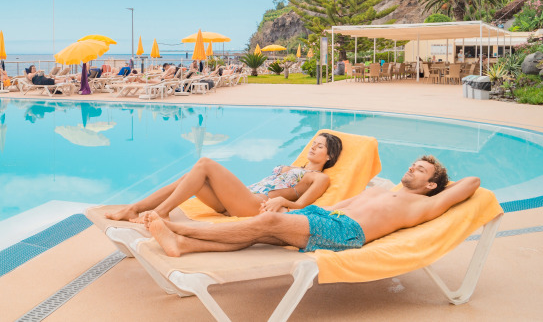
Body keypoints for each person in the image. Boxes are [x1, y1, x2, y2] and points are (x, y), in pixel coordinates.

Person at [146, 156, 479, 258]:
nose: (411, 169)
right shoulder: (382, 190)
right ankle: (184, 246)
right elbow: (340, 204)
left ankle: (178, 229)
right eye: (413, 165)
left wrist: (441, 184)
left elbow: (472, 182)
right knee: (261, 231)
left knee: (267, 226)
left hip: (348, 233)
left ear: (432, 185)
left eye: (420, 170)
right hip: (327, 218)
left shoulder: (424, 204)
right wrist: (293, 211)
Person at [105, 133, 343, 222]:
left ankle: (161, 212)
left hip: (255, 205)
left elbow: (303, 206)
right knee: (191, 176)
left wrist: (282, 201)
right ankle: (133, 209)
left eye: (320, 146)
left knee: (205, 164)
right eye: (313, 143)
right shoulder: (295, 166)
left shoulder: (318, 177)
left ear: (329, 155)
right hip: (239, 200)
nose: (313, 147)